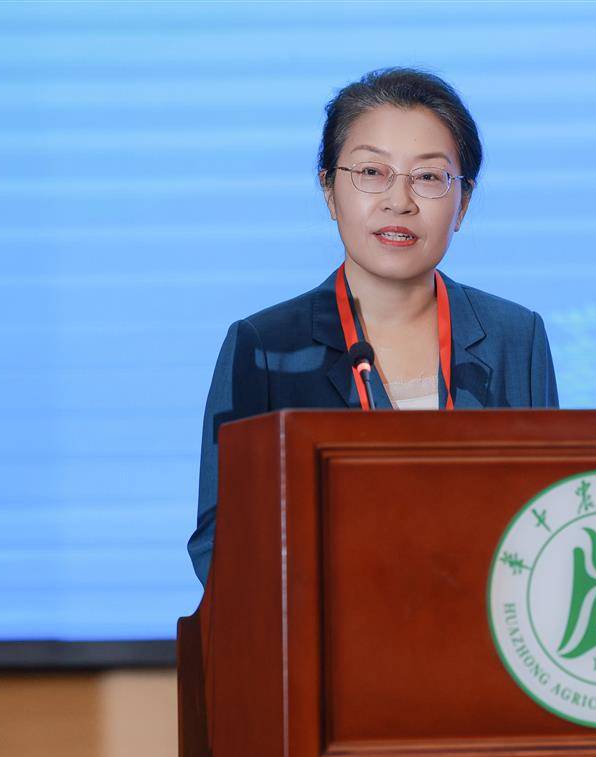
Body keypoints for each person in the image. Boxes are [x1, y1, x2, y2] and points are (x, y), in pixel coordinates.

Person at [185, 68, 560, 585]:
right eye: (371, 172)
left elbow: (546, 520)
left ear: (463, 204)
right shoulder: (265, 347)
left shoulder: (515, 337)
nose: (399, 201)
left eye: (428, 177)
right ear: (329, 190)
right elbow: (221, 543)